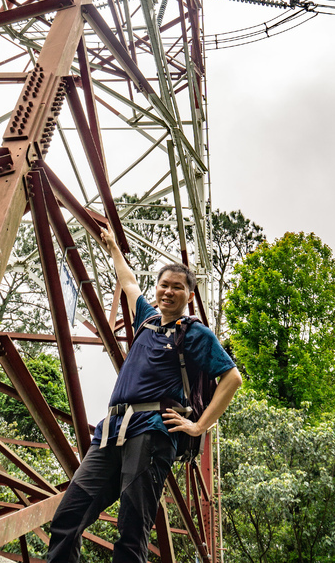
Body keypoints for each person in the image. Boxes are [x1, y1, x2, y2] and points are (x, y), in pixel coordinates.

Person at [46, 220, 242, 563]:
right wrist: (112, 249)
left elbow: (232, 379)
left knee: (132, 530)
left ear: (189, 295)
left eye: (177, 287)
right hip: (111, 430)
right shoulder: (147, 320)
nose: (168, 291)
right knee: (68, 516)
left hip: (152, 431)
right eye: (164, 285)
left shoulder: (194, 333)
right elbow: (128, 282)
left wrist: (199, 427)